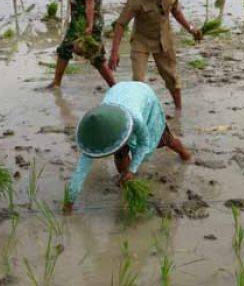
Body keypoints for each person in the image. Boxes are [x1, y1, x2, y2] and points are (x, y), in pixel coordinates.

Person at [62, 82, 192, 214]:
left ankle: (185, 155)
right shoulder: (94, 132)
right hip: (117, 93)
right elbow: (80, 172)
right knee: (120, 153)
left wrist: (133, 169)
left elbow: (143, 143)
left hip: (144, 97)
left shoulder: (135, 118)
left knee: (164, 139)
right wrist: (69, 203)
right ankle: (127, 183)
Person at [108, 0, 202, 110]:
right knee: (138, 81)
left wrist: (190, 29)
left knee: (172, 78)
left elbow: (176, 11)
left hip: (163, 39)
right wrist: (114, 52)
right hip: (141, 41)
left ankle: (179, 111)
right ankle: (139, 111)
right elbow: (121, 24)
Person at [46, 0, 116, 89]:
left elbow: (90, 2)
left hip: (90, 21)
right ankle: (56, 82)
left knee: (96, 58)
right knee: (65, 49)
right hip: (77, 21)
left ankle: (114, 87)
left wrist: (89, 25)